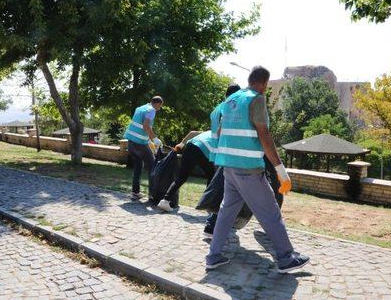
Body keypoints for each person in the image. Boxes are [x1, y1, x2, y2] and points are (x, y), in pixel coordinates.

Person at [206, 66, 309, 274]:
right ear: (263, 83)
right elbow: (264, 135)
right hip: (248, 168)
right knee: (270, 210)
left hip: (229, 166)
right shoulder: (256, 98)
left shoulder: (231, 100)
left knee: (227, 211)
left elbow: (219, 130)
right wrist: (281, 170)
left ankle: (213, 256)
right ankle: (286, 257)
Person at [157, 84, 242, 235]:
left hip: (191, 146)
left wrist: (182, 143)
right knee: (214, 178)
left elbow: (193, 132)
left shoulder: (216, 113)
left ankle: (165, 200)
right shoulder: (231, 109)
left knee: (183, 176)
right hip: (208, 151)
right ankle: (211, 210)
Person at [124, 96, 164, 200]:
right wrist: (155, 139)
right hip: (140, 143)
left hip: (131, 142)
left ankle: (135, 192)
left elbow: (140, 128)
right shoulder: (151, 110)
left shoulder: (140, 108)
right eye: (159, 107)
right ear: (157, 104)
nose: (159, 109)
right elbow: (146, 126)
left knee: (138, 165)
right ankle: (152, 194)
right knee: (153, 165)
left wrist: (149, 141)